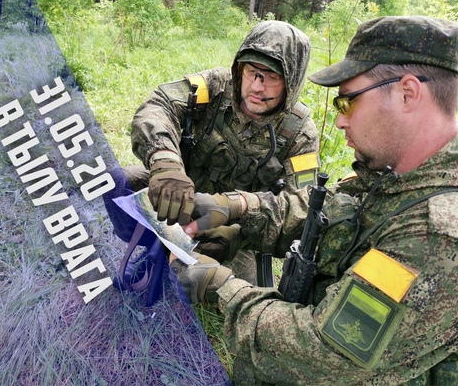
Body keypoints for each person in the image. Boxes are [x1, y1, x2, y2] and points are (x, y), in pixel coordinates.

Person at [174, 16, 458, 384]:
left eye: (347, 103)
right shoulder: (404, 172)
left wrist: (220, 287)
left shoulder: (445, 235)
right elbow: (330, 210)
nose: (339, 121)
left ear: (408, 93)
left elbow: (325, 351)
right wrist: (238, 208)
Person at [103, 20, 320, 285]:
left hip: (232, 233)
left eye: (272, 77)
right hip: (179, 198)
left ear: (292, 83)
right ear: (240, 67)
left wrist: (239, 234)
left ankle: (184, 258)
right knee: (118, 181)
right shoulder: (215, 85)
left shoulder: (299, 133)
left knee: (225, 291)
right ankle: (155, 248)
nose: (256, 87)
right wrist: (166, 164)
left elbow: (301, 206)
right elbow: (159, 105)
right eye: (252, 71)